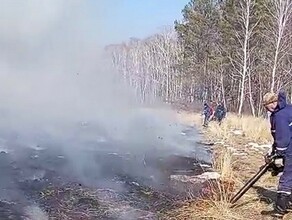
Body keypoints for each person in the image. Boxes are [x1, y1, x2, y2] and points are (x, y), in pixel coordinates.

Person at [262, 90, 292, 218]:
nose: (269, 107)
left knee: (286, 177)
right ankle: (289, 203)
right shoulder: (284, 110)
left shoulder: (280, 115)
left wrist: (279, 153)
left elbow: (283, 137)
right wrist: (274, 150)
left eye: (267, 105)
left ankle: (280, 210)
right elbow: (278, 135)